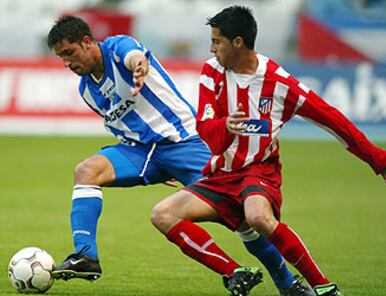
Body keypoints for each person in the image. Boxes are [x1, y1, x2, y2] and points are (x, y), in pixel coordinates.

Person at [150, 5, 386, 296]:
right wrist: (227, 126)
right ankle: (235, 272)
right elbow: (208, 133)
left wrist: (375, 157)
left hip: (258, 172)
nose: (211, 49)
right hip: (220, 176)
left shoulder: (279, 83)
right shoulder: (212, 73)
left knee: (258, 217)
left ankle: (324, 288)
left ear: (237, 42)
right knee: (162, 214)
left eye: (216, 41)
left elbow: (331, 118)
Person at [46, 15, 316, 296]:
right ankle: (86, 256)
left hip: (185, 143)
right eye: (61, 58)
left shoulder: (118, 49)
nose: (67, 63)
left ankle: (288, 283)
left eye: (69, 53)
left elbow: (135, 55)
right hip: (141, 152)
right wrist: (151, 167)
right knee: (86, 171)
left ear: (87, 42)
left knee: (241, 218)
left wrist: (139, 65)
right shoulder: (87, 90)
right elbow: (123, 126)